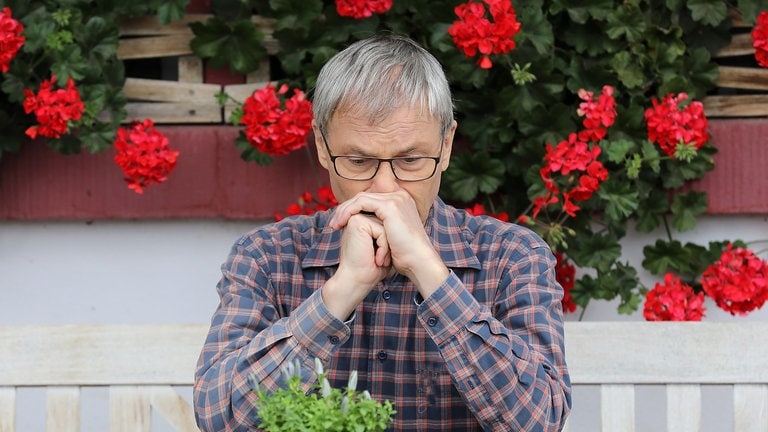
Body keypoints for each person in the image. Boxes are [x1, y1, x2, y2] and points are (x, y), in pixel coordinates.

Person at [193, 34, 571, 431]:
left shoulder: (512, 255)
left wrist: (431, 273)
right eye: (358, 161)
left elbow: (540, 421)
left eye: (411, 160)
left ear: (446, 145)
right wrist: (341, 291)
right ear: (322, 146)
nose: (385, 188)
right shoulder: (267, 256)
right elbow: (220, 419)